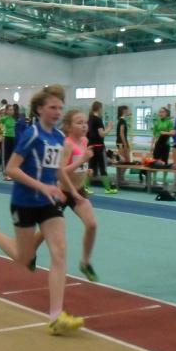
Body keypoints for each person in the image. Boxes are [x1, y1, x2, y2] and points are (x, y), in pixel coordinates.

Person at [0, 85, 83, 336]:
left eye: (60, 108)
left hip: (48, 203)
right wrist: (41, 186)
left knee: (60, 252)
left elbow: (57, 170)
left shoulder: (58, 137)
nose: (57, 112)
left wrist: (72, 192)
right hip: (24, 202)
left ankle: (56, 317)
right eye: (52, 107)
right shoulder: (31, 135)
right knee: (24, 258)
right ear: (40, 109)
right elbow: (11, 169)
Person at [59, 109, 99, 281]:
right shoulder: (67, 144)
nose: (84, 126)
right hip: (62, 191)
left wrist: (85, 170)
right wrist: (82, 161)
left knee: (92, 225)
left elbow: (79, 166)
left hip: (79, 191)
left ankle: (85, 262)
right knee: (46, 231)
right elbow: (60, 171)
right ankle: (31, 253)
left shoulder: (84, 140)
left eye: (85, 122)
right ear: (69, 127)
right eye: (79, 123)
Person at [86, 100, 116, 194]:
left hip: (91, 146)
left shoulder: (89, 119)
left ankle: (85, 187)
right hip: (99, 147)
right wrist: (109, 128)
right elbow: (102, 134)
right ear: (99, 109)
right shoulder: (98, 119)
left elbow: (88, 134)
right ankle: (108, 188)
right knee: (102, 167)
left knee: (91, 167)